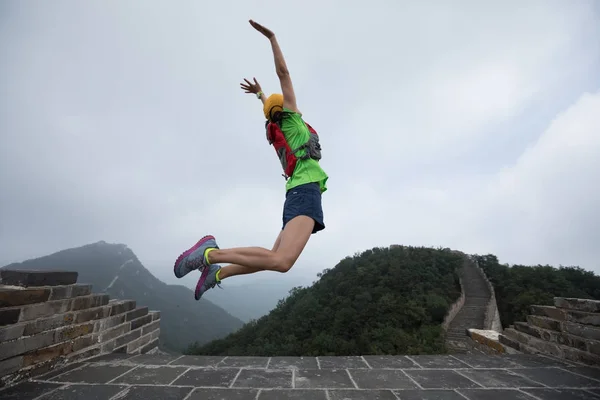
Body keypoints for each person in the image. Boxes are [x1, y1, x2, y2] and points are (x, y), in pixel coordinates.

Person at [173, 20, 329, 300]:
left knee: (271, 257)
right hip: (305, 192)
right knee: (281, 262)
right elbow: (283, 73)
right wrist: (272, 38)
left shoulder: (278, 127)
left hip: (297, 192)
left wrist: (260, 95)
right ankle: (209, 254)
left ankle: (217, 272)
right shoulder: (293, 119)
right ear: (286, 108)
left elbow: (270, 107)